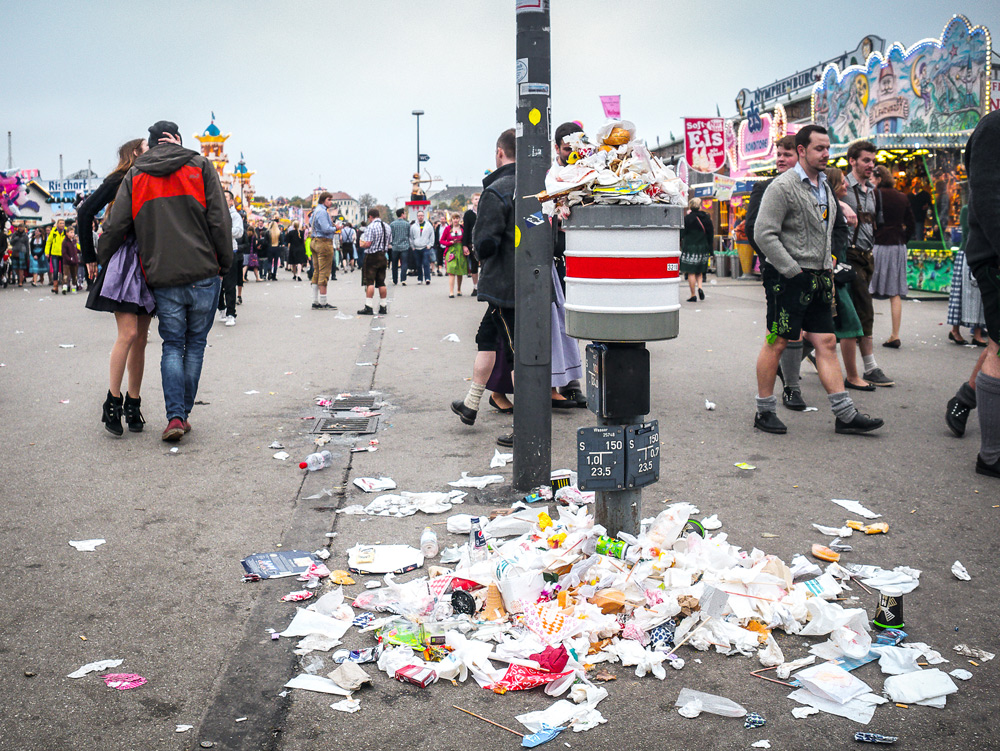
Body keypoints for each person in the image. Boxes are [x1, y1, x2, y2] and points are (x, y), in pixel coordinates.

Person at [97, 120, 233, 443]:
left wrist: (103, 258)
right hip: (204, 272)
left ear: (153, 143)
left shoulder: (137, 173)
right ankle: (180, 413)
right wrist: (224, 263)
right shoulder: (200, 166)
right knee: (195, 344)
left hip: (163, 275)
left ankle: (175, 415)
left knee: (172, 344)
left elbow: (116, 225)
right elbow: (220, 220)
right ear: (177, 140)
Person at [752, 124, 883, 436]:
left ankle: (845, 414)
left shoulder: (824, 186)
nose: (827, 154)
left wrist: (828, 263)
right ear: (802, 151)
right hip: (788, 279)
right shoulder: (782, 186)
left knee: (825, 341)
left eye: (828, 148)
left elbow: (828, 231)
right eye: (819, 149)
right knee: (777, 340)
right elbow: (763, 233)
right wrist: (792, 269)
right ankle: (764, 410)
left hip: (820, 278)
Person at [80, 138, 155, 435]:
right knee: (129, 333)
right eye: (147, 147)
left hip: (148, 260)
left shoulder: (151, 176)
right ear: (135, 152)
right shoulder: (120, 178)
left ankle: (133, 402)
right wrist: (89, 257)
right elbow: (85, 212)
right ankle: (112, 400)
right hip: (125, 260)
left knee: (142, 338)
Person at [451, 128, 517, 447]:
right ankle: (471, 404)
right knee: (487, 339)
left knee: (519, 353)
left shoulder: (498, 190)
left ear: (499, 153)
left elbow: (486, 243)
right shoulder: (539, 187)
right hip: (530, 281)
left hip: (505, 283)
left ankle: (526, 425)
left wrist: (479, 248)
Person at [745, 135, 812, 410]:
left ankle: (792, 375)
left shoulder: (815, 188)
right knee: (783, 333)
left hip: (815, 272)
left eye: (787, 155)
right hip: (781, 273)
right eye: (779, 155)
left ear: (800, 156)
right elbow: (753, 229)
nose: (781, 159)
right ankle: (789, 389)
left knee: (825, 334)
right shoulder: (766, 187)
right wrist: (774, 261)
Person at [956, 110, 1000, 477]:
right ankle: (991, 455)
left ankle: (966, 398)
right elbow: (987, 199)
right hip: (994, 256)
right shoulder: (994, 126)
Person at [840, 140, 894, 388]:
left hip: (867, 256)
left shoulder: (872, 191)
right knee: (864, 310)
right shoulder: (841, 187)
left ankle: (811, 352)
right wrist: (840, 203)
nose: (871, 165)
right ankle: (870, 367)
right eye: (866, 160)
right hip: (849, 257)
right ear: (852, 161)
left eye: (873, 161)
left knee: (842, 313)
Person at [870, 165, 915, 348]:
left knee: (868, 289)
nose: (871, 182)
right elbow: (911, 224)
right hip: (898, 245)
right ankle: (895, 334)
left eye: (873, 179)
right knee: (895, 292)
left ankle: (864, 334)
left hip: (879, 244)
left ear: (879, 179)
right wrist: (904, 239)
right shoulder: (902, 197)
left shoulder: (873, 195)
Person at [946, 201, 988, 346]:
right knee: (961, 294)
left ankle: (976, 333)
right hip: (969, 253)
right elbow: (968, 232)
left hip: (983, 254)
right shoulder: (967, 209)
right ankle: (955, 330)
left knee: (980, 296)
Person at [218, 190, 244, 326]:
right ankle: (221, 308)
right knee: (216, 284)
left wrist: (223, 230)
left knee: (229, 284)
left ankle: (230, 313)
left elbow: (239, 232)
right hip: (216, 252)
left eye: (226, 197)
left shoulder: (234, 216)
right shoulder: (216, 212)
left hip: (230, 251)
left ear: (231, 201)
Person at [358, 207, 390, 315]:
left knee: (370, 282)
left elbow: (368, 243)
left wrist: (361, 244)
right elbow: (389, 242)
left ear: (370, 217)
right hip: (383, 255)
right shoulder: (387, 227)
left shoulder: (371, 227)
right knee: (381, 282)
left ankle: (369, 306)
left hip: (372, 256)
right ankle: (383, 306)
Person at [680, 198, 713, 302]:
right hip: (702, 247)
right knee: (699, 270)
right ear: (700, 206)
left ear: (690, 206)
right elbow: (710, 234)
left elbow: (682, 233)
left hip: (690, 247)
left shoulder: (687, 218)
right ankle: (700, 287)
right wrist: (710, 249)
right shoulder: (706, 218)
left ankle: (693, 294)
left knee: (691, 272)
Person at [309, 192, 337, 309]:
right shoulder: (323, 212)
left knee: (316, 271)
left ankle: (315, 301)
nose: (331, 202)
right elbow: (326, 229)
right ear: (323, 200)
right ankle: (323, 302)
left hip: (314, 241)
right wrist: (336, 228)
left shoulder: (316, 211)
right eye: (329, 199)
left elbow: (311, 223)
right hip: (323, 242)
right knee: (324, 272)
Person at [441, 213, 467, 297]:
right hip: (451, 250)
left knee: (459, 271)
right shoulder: (447, 229)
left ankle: (459, 289)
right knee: (451, 271)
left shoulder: (463, 228)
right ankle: (451, 291)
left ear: (459, 219)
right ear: (451, 220)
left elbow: (466, 239)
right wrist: (449, 243)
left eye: (457, 218)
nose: (455, 220)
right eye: (454, 218)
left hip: (460, 250)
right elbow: (441, 240)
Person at [409, 210, 435, 286]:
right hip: (416, 248)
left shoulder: (428, 225)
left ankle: (427, 278)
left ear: (424, 216)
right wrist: (412, 246)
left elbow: (432, 235)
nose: (420, 217)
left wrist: (430, 245)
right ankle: (420, 278)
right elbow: (410, 237)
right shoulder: (413, 226)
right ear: (417, 217)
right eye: (419, 215)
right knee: (418, 264)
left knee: (426, 263)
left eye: (422, 215)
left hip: (425, 247)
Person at [389, 208, 412, 285]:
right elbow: (409, 235)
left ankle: (395, 280)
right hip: (404, 246)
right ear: (402, 214)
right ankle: (403, 279)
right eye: (404, 213)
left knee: (394, 264)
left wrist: (392, 243)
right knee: (404, 263)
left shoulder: (392, 224)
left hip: (395, 246)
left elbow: (391, 235)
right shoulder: (407, 224)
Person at [463, 194, 480, 296]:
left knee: (486, 265)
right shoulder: (468, 214)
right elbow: (466, 230)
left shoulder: (484, 211)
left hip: (484, 241)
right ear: (472, 201)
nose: (477, 201)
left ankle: (485, 286)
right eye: (476, 199)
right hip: (472, 243)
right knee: (474, 266)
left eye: (479, 199)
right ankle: (475, 286)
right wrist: (464, 245)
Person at [45, 219, 66, 294]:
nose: (62, 225)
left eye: (63, 223)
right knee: (55, 270)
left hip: (64, 254)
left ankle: (64, 286)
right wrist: (47, 252)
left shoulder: (66, 231)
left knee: (64, 271)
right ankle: (55, 286)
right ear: (57, 224)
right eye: (60, 223)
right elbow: (49, 242)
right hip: (55, 253)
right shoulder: (53, 232)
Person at [61, 225, 80, 293]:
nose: (72, 234)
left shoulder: (74, 241)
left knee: (74, 275)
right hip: (67, 262)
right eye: (71, 232)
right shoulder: (65, 242)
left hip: (75, 261)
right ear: (67, 233)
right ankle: (65, 288)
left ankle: (74, 288)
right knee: (66, 275)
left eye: (73, 232)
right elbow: (64, 253)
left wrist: (79, 250)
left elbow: (76, 249)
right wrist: (69, 259)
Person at [10, 223, 28, 287]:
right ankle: (21, 277)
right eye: (19, 227)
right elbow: (11, 242)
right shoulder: (14, 234)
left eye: (21, 227)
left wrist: (27, 255)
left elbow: (27, 245)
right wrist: (15, 239)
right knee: (15, 268)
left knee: (21, 268)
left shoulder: (25, 235)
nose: (20, 228)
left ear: (23, 228)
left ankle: (20, 282)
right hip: (15, 251)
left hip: (22, 252)